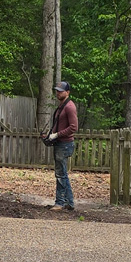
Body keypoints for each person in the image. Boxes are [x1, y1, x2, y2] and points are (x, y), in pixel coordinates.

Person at [45, 81, 78, 211]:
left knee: (60, 175)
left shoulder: (69, 107)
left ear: (68, 92)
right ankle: (69, 203)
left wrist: (57, 134)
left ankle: (60, 203)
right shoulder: (62, 106)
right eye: (57, 90)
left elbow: (73, 127)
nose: (58, 93)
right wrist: (50, 135)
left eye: (61, 91)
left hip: (65, 144)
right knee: (62, 174)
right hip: (61, 143)